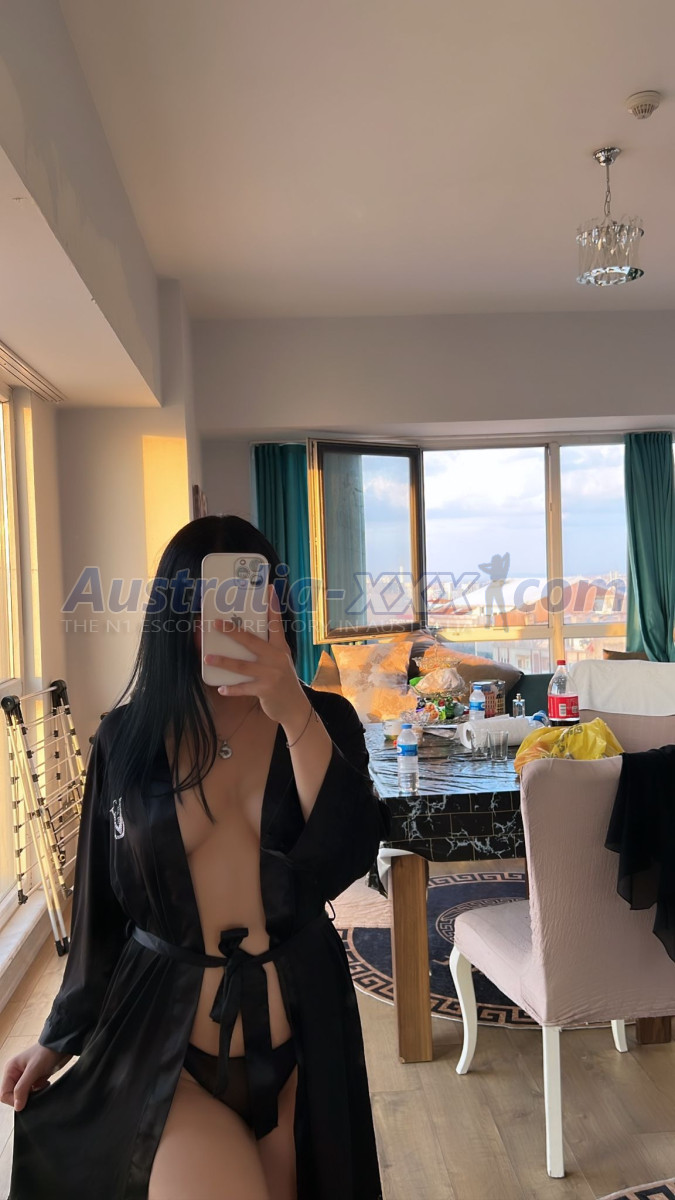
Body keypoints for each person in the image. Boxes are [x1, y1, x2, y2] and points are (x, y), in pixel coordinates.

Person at [2, 515, 392, 1200]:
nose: (224, 618)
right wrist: (59, 1035)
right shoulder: (127, 738)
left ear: (276, 604)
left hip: (306, 1039)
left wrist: (290, 709)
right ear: (172, 614)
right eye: (202, 600)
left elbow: (348, 857)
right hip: (167, 1049)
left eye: (245, 596)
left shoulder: (324, 720)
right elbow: (101, 908)